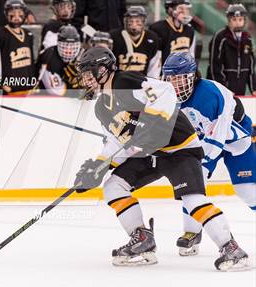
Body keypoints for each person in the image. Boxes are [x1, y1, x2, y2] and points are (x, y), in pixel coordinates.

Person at [75, 46, 250, 271]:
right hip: (150, 153)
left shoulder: (125, 82)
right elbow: (118, 141)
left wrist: (151, 123)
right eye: (84, 75)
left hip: (180, 148)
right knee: (113, 187)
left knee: (192, 199)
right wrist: (99, 165)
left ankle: (231, 248)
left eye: (90, 73)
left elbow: (165, 90)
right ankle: (142, 239)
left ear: (104, 70)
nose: (87, 79)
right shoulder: (101, 108)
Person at [162, 52, 256, 256]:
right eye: (170, 79)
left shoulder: (210, 95)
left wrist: (186, 158)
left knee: (246, 191)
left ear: (192, 76)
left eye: (179, 78)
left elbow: (216, 142)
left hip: (234, 141)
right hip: (205, 141)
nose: (174, 84)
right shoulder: (168, 99)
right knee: (191, 186)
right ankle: (192, 232)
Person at [0, 0, 35, 95]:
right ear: (6, 14)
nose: (16, 17)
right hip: (7, 91)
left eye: (20, 13)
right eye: (12, 13)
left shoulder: (28, 34)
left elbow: (30, 63)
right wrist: (0, 83)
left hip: (26, 89)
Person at [207, 4, 256, 96]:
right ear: (229, 20)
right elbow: (215, 67)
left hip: (240, 90)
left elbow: (251, 67)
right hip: (222, 91)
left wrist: (254, 88)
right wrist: (224, 89)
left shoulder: (248, 39)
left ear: (244, 21)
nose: (237, 22)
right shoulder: (220, 37)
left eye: (240, 19)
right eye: (234, 19)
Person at [109, 6, 161, 78]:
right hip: (120, 81)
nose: (134, 25)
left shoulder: (152, 37)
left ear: (144, 22)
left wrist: (152, 82)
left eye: (138, 21)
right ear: (125, 21)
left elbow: (154, 65)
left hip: (143, 81)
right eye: (131, 21)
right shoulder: (114, 36)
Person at [37, 24, 81, 96]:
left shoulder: (82, 55)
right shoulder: (49, 57)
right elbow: (55, 91)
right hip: (46, 98)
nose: (69, 50)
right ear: (58, 43)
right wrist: (75, 86)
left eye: (73, 46)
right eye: (65, 46)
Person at [149, 0, 195, 67]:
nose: (185, 12)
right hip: (164, 73)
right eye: (181, 8)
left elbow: (191, 54)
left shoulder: (189, 29)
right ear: (170, 9)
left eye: (187, 9)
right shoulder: (158, 28)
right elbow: (155, 60)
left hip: (182, 72)